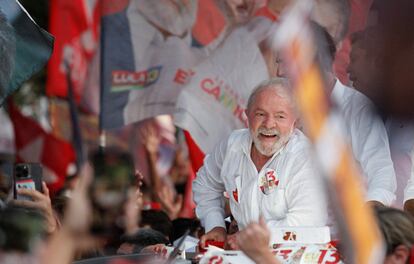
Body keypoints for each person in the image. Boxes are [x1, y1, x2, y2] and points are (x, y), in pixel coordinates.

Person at [193, 77, 327, 247]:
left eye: (280, 116)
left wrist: (248, 237)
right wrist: (216, 225)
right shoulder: (232, 146)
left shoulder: (306, 157)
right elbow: (205, 184)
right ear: (247, 115)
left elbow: (307, 222)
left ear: (296, 121)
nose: (269, 124)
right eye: (260, 114)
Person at [277, 22, 396, 206]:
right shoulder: (281, 108)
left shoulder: (357, 108)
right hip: (293, 228)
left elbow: (382, 176)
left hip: (344, 230)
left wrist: (370, 215)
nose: (279, 72)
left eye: (286, 62)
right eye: (278, 62)